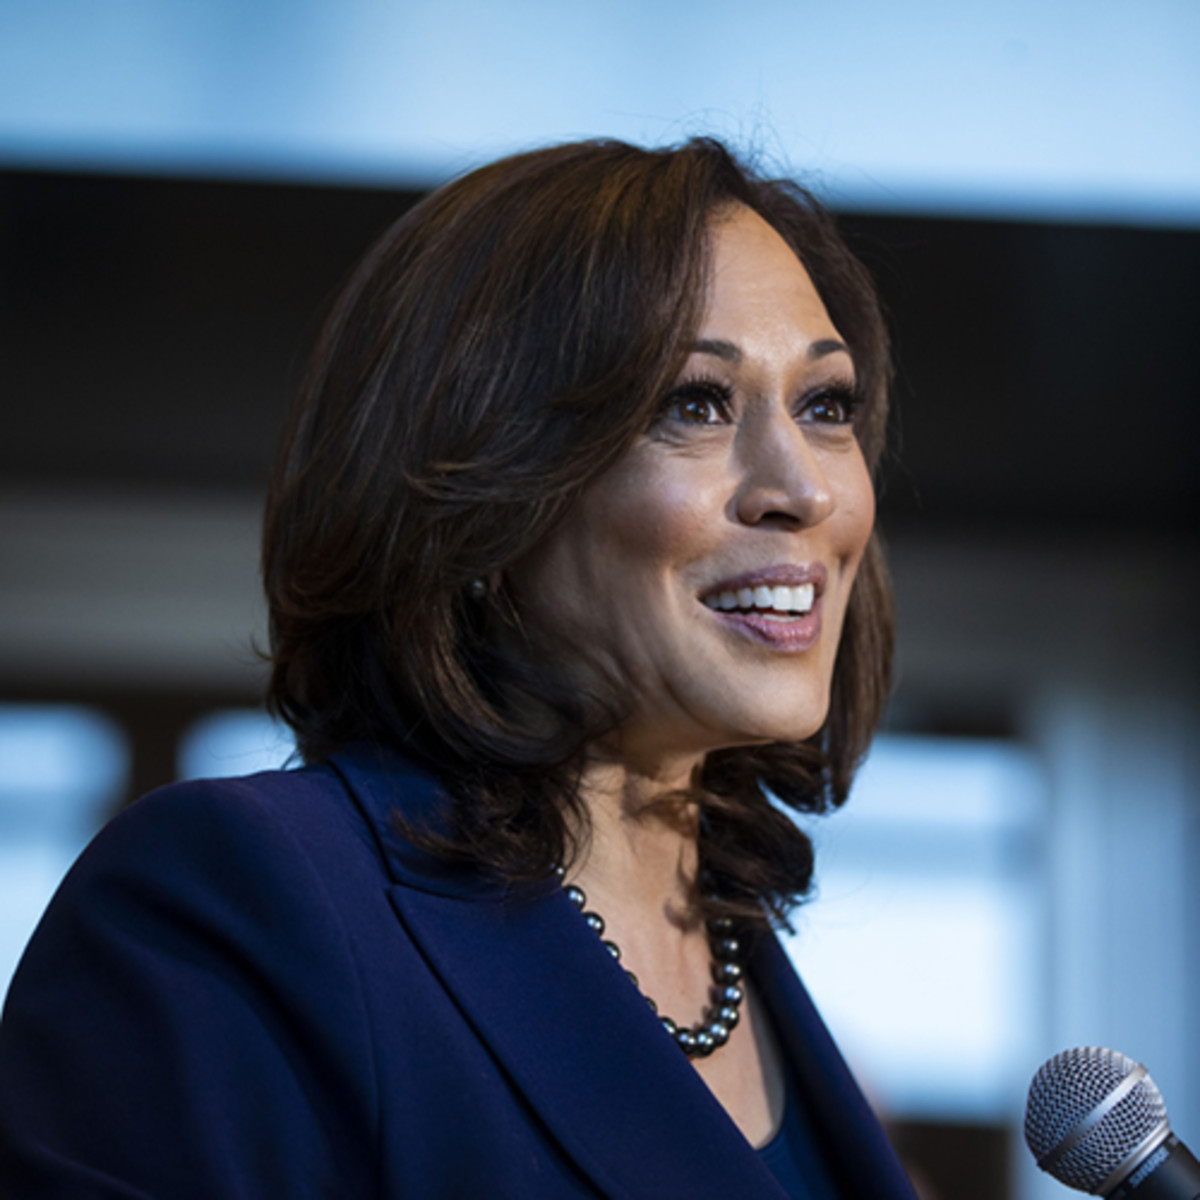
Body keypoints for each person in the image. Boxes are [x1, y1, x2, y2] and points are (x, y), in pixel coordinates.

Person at [0, 137, 916, 1198]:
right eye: (694, 403)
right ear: (486, 486)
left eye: (826, 405)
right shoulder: (241, 903)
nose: (798, 488)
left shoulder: (762, 986)